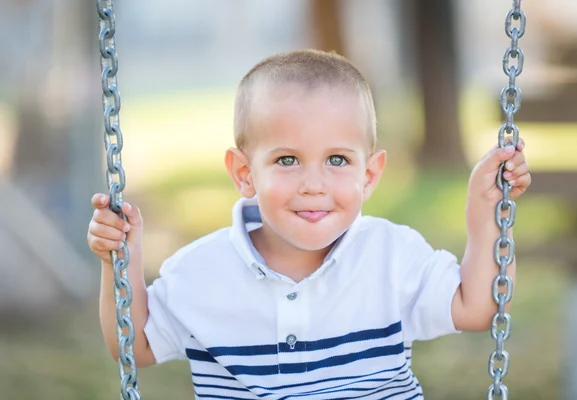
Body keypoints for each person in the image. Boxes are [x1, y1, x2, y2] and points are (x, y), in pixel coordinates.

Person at [87, 49, 530, 399]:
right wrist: (119, 261)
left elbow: (481, 307)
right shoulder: (200, 272)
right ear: (245, 174)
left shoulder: (390, 256)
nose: (313, 184)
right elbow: (134, 346)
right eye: (287, 160)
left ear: (369, 174)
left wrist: (486, 212)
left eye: (337, 160)